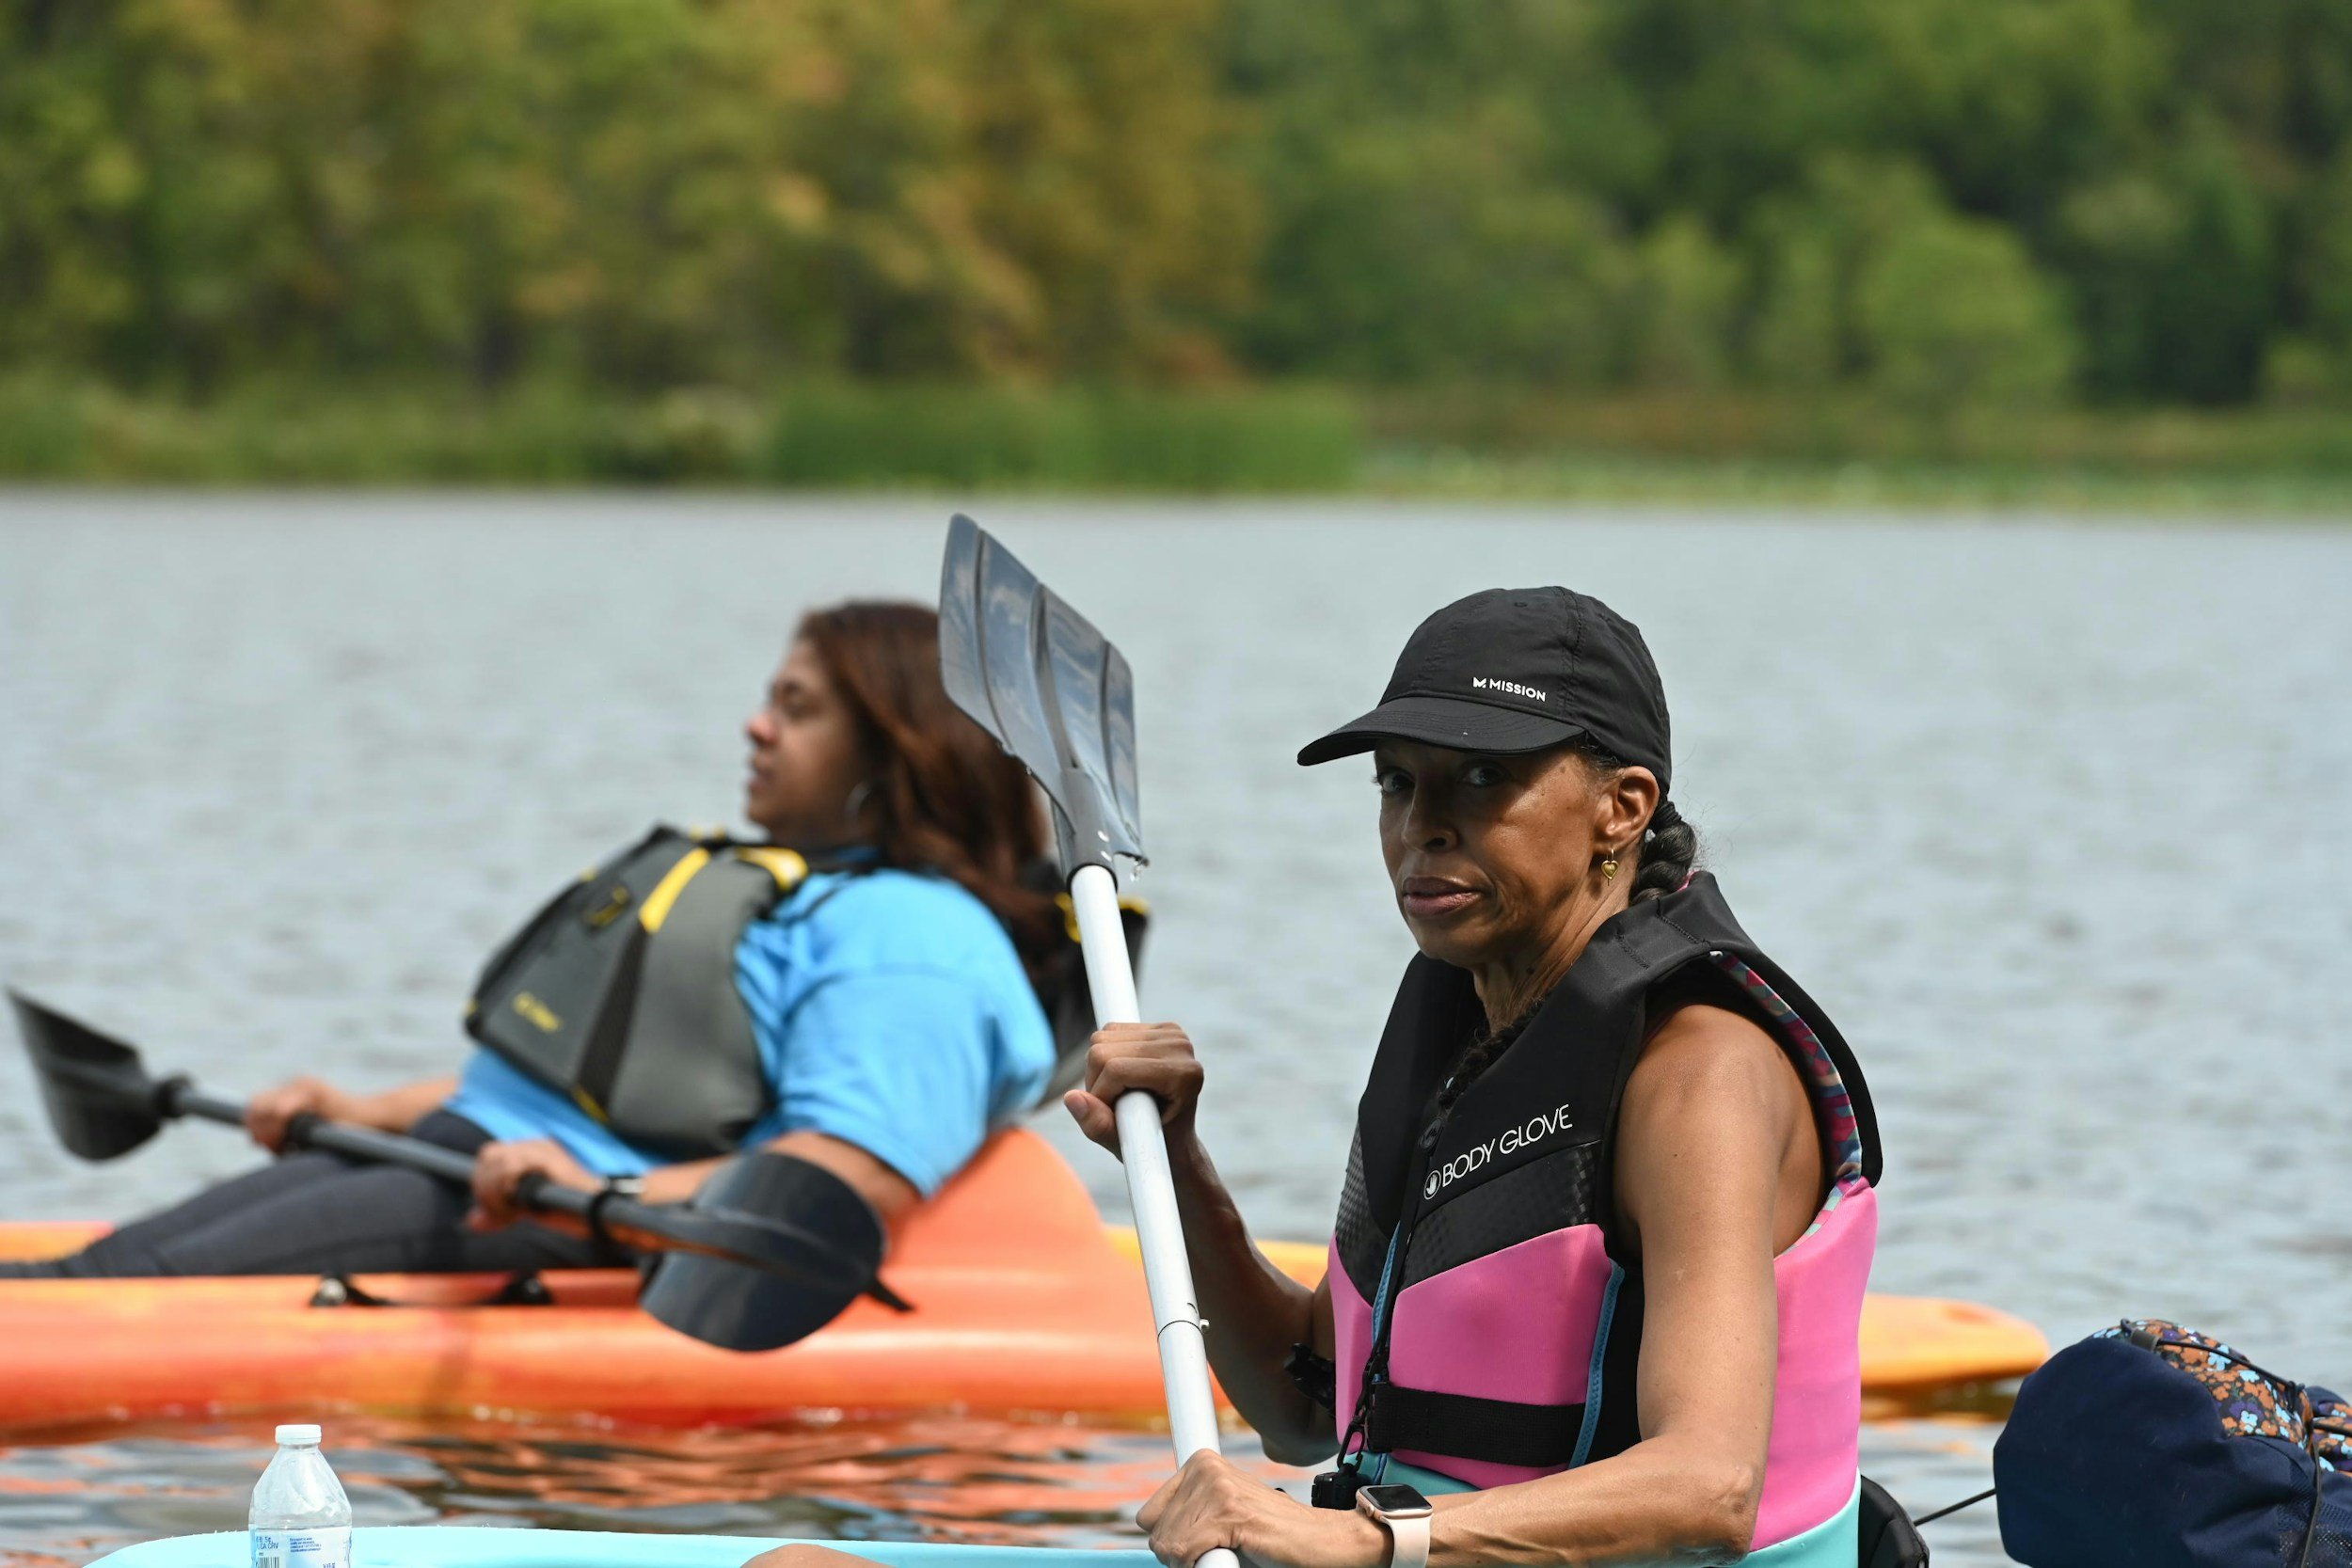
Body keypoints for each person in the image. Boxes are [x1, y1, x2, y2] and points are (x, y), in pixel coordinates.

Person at [1073, 588, 1882, 1568]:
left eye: (1483, 777)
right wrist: (1173, 1154)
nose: (1424, 825)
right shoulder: (1463, 1029)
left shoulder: (1699, 1074)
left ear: (1621, 807)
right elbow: (1300, 1409)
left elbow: (1705, 1486)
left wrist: (1360, 1539)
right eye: (1397, 783)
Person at [3, 601, 1062, 1280]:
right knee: (100, 1269)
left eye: (797, 708)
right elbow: (576, 1100)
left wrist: (608, 1196)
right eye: (767, 700)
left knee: (98, 1291)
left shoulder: (917, 943)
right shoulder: (801, 896)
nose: (755, 726)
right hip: (468, 1160)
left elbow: (845, 1174)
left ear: (897, 750)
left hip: (557, 1216)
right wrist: (353, 1109)